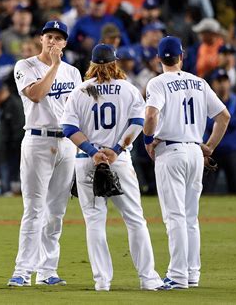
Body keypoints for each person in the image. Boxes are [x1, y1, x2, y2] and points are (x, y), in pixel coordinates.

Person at [60, 44, 166, 292]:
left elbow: (68, 129)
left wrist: (93, 152)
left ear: (92, 65)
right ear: (114, 63)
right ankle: (148, 279)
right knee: (135, 219)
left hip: (88, 161)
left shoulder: (80, 91)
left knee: (95, 222)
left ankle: (102, 281)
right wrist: (116, 149)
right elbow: (138, 123)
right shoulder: (128, 89)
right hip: (118, 160)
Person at [144, 36, 230, 289]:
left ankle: (178, 275)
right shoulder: (199, 82)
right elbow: (224, 116)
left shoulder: (158, 82)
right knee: (190, 217)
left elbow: (150, 114)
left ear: (159, 58)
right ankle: (192, 273)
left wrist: (148, 139)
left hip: (171, 151)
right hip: (195, 151)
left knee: (175, 216)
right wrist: (210, 146)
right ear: (181, 57)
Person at [7, 20, 82, 287]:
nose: (53, 41)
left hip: (66, 144)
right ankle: (23, 271)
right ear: (41, 39)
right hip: (37, 141)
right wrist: (53, 66)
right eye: (49, 36)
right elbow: (37, 94)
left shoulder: (73, 73)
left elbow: (78, 113)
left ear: (64, 43)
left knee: (56, 211)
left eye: (58, 38)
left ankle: (48, 270)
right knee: (34, 208)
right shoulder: (25, 66)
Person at [203, 69, 236, 194]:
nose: (222, 84)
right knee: (207, 190)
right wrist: (224, 122)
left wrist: (220, 122)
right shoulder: (207, 102)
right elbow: (207, 123)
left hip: (232, 150)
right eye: (219, 81)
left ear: (229, 82)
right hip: (213, 151)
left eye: (225, 80)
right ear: (213, 83)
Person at [0, 80, 25, 195]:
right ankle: (6, 190)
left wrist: (14, 146)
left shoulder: (14, 104)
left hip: (13, 150)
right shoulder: (1, 106)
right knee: (4, 175)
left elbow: (19, 128)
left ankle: (13, 191)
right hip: (4, 149)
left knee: (14, 175)